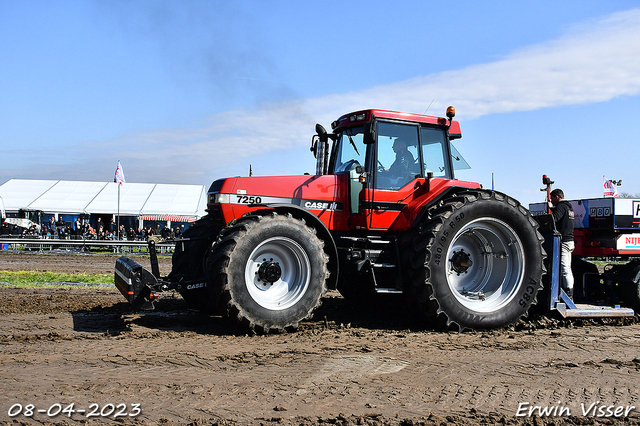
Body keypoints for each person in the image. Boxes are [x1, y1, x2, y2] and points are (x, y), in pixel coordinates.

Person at [549, 188, 575, 298]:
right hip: (570, 240)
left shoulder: (561, 207)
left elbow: (554, 218)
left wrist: (552, 209)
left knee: (565, 268)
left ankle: (569, 293)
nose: (552, 201)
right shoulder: (570, 208)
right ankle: (569, 291)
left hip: (564, 241)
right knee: (567, 267)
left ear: (557, 197)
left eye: (552, 199)